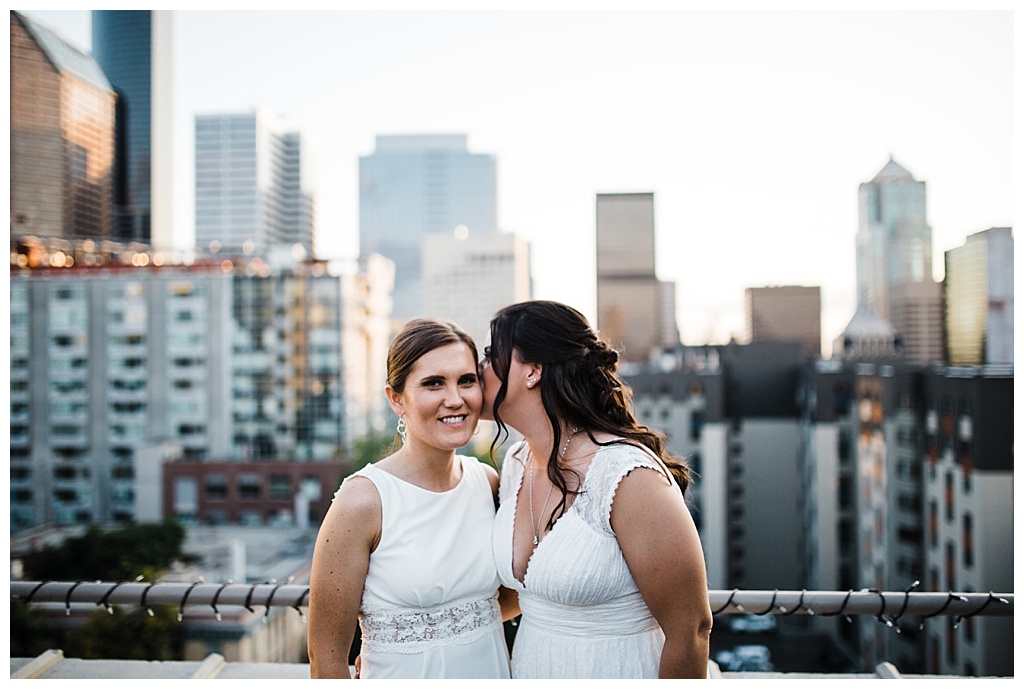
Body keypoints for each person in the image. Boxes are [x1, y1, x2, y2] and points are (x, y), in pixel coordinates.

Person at [479, 300, 713, 679]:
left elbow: (692, 631)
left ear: (533, 371)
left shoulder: (627, 476)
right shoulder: (516, 465)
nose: (478, 370)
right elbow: (522, 596)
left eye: (491, 356)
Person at [307, 318, 511, 679]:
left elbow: (502, 600)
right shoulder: (363, 501)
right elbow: (326, 656)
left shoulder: (488, 482)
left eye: (466, 380)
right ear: (396, 399)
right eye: (433, 384)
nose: (455, 399)